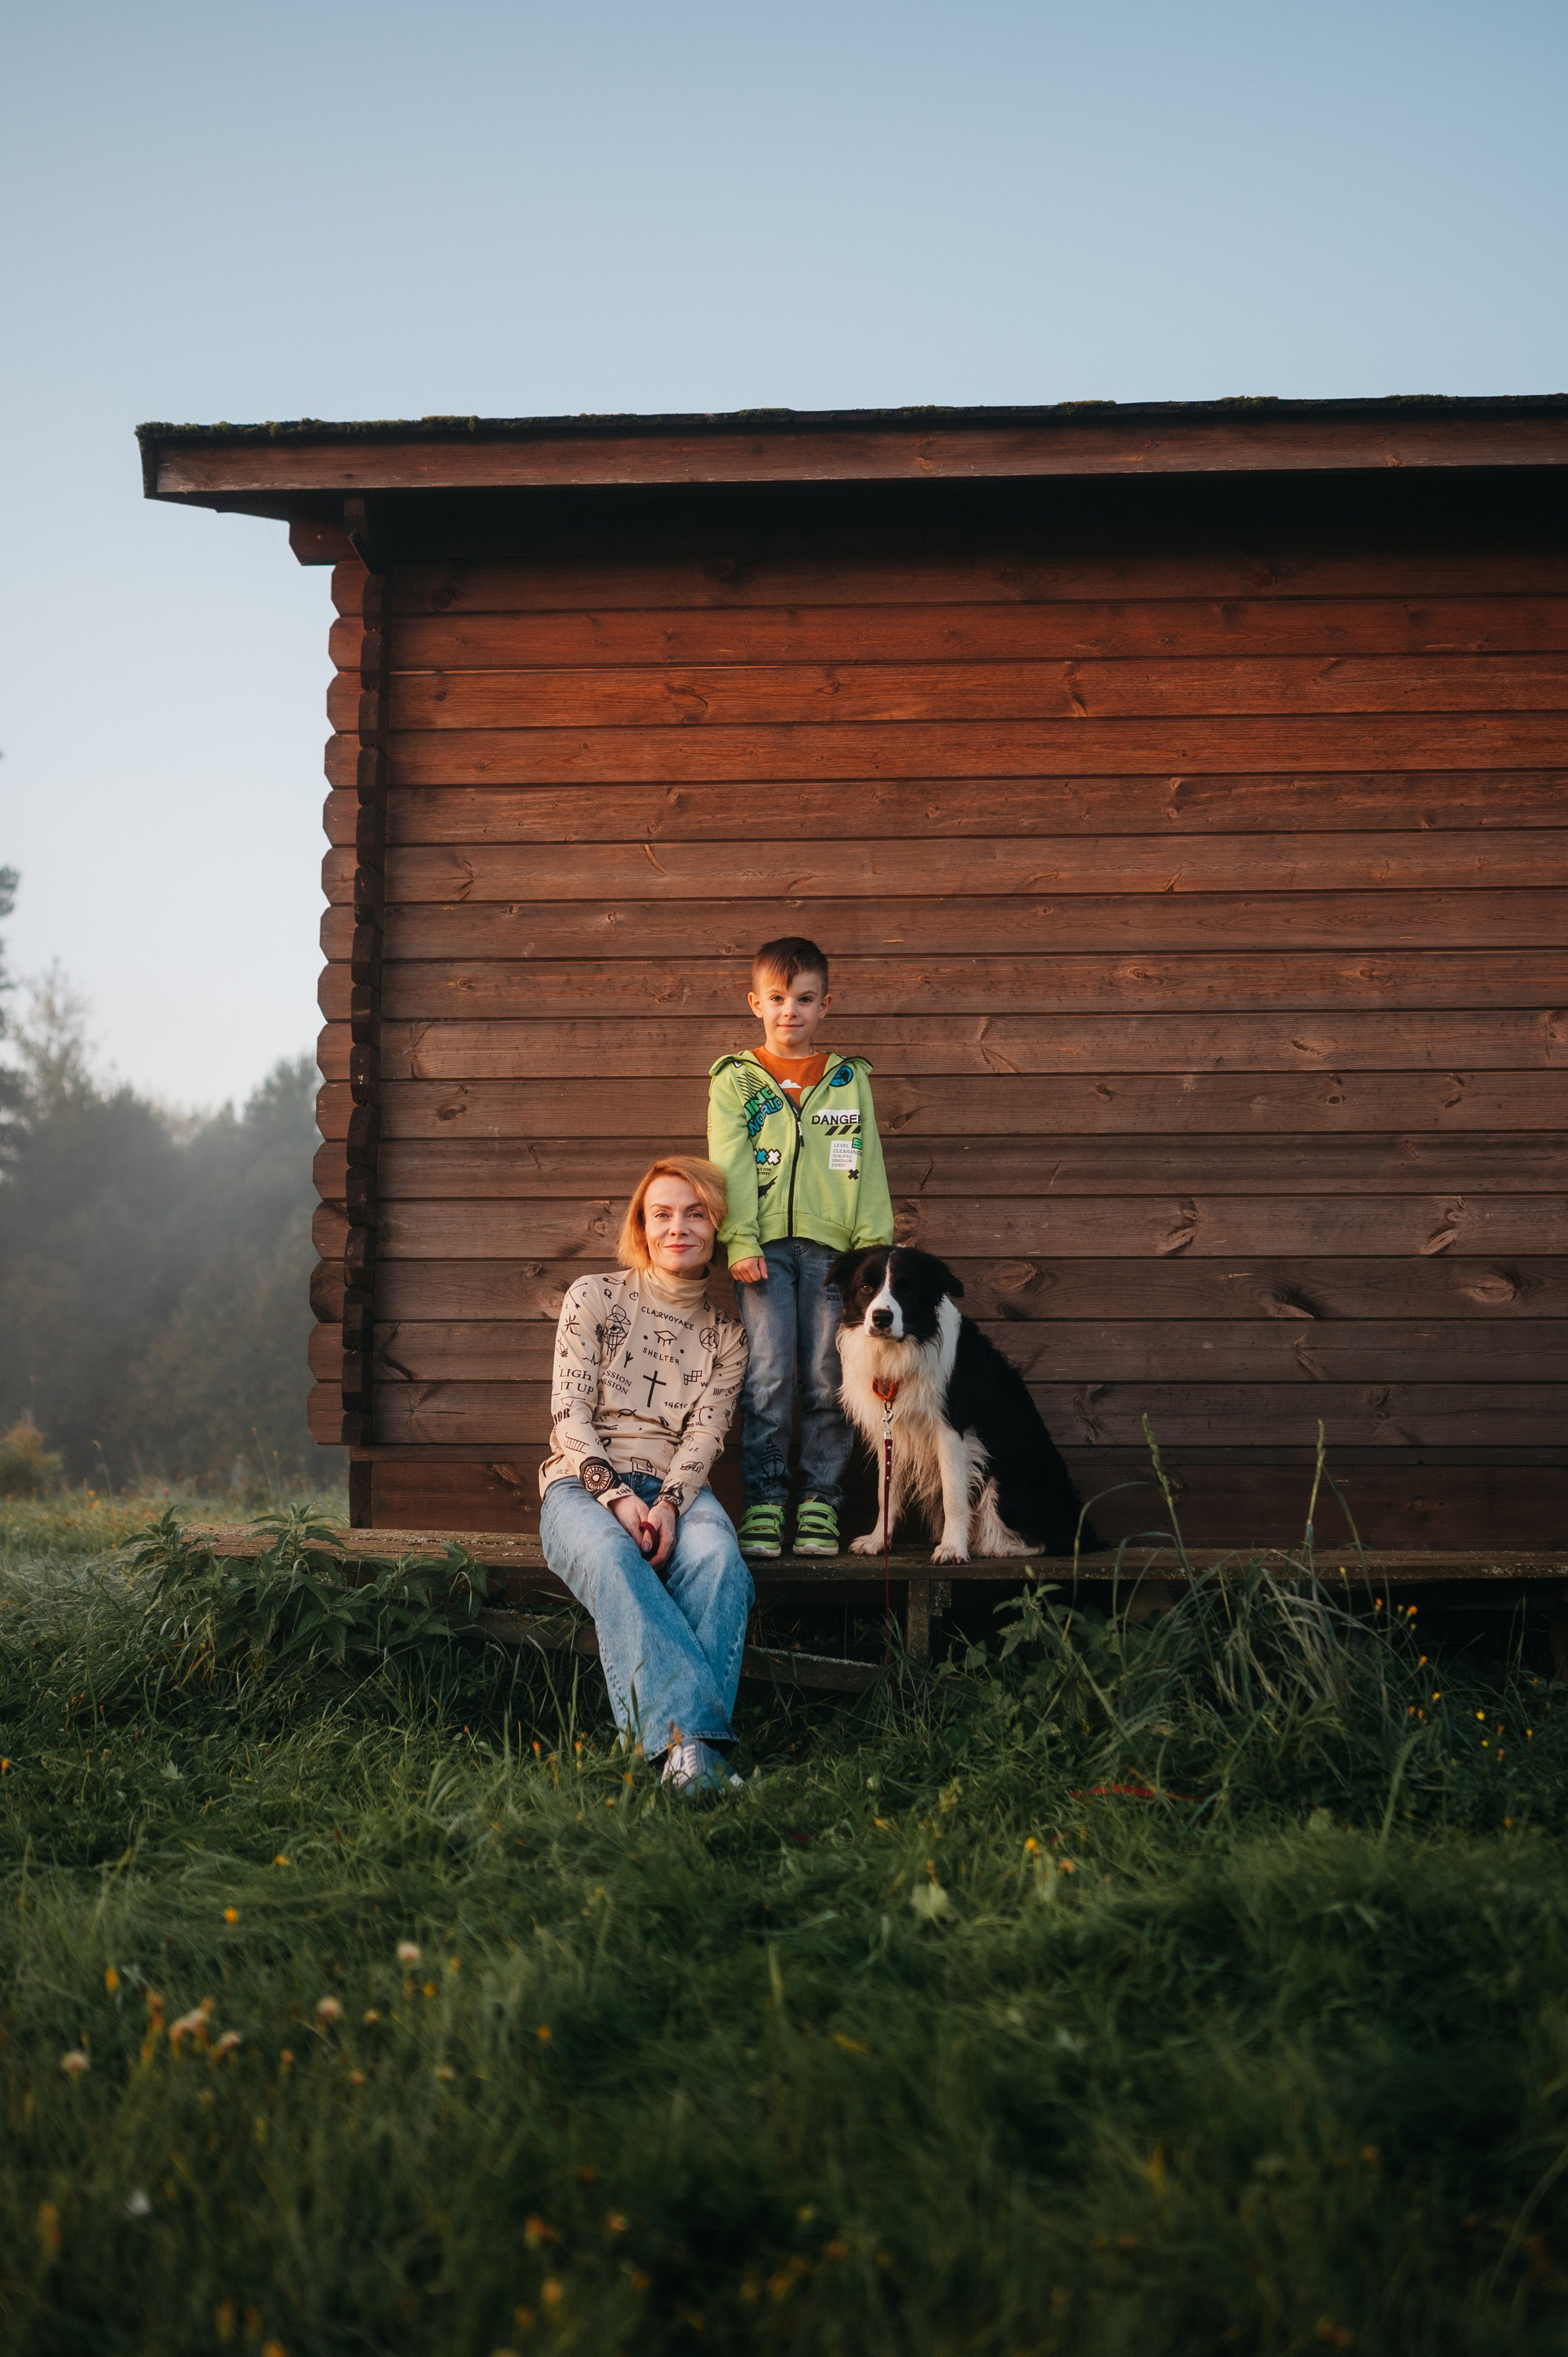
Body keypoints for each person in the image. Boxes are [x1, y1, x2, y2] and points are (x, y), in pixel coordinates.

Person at [537, 1155, 752, 1795]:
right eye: (661, 1213)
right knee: (611, 1556)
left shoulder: (727, 1336)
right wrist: (618, 1498)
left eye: (694, 1213)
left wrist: (669, 1507)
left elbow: (705, 1435)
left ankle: (680, 1762)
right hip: (581, 1485)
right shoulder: (594, 1295)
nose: (677, 1227)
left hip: (679, 1491)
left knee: (719, 1562)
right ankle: (696, 1758)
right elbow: (568, 1411)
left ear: (717, 1226)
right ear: (641, 1223)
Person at [707, 936, 895, 1561]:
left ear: (825, 1005)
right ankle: (764, 1501)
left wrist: (871, 1254)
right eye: (779, 998)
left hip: (834, 1255)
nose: (791, 1010)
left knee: (828, 1376)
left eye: (805, 999)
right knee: (768, 1377)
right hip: (761, 1251)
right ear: (756, 1002)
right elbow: (729, 1165)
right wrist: (738, 1237)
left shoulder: (848, 1080)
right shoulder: (736, 1079)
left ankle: (819, 1501)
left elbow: (867, 1167)